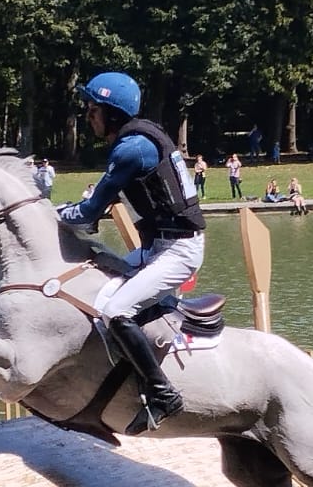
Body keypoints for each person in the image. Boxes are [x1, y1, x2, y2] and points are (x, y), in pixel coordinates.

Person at [56, 71, 204, 434]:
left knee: (115, 310)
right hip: (157, 247)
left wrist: (51, 214)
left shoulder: (131, 150)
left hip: (177, 251)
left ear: (112, 113)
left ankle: (162, 394)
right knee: (97, 280)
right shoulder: (135, 142)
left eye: (93, 110)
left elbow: (87, 213)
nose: (88, 116)